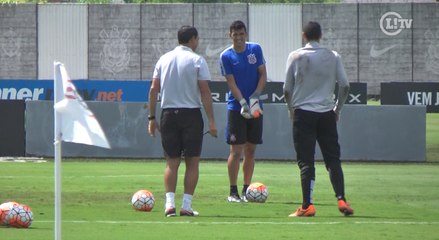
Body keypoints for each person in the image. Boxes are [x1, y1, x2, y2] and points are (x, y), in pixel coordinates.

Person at [283, 21, 354, 217]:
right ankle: (341, 199)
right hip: (326, 114)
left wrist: (291, 109)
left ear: (303, 35)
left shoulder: (295, 56)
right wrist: (337, 108)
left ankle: (308, 205)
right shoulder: (333, 56)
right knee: (333, 159)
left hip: (303, 113)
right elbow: (345, 86)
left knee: (306, 161)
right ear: (320, 35)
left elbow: (287, 89)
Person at [148, 25, 217, 217]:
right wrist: (212, 121)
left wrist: (151, 117)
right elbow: (205, 92)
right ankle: (186, 206)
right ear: (193, 39)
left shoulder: (163, 59)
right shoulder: (197, 60)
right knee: (192, 163)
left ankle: (169, 205)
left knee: (172, 163)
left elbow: (154, 89)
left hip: (168, 114)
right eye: (197, 39)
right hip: (191, 115)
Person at [219, 20, 267, 202]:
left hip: (255, 106)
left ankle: (247, 191)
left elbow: (263, 74)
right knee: (236, 150)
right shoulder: (226, 56)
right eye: (235, 35)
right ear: (230, 35)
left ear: (245, 34)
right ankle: (233, 192)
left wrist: (255, 97)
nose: (238, 38)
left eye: (241, 34)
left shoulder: (255, 49)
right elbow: (231, 83)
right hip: (236, 107)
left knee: (251, 150)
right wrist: (242, 102)